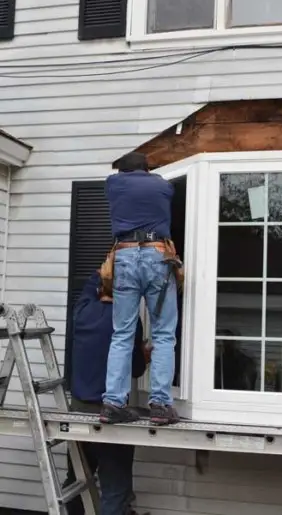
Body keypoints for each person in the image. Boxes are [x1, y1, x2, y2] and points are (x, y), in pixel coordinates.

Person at [100, 151, 180, 426]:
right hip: (158, 256)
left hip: (123, 256)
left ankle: (112, 403)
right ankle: (160, 405)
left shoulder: (113, 183)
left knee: (122, 333)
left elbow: (117, 179)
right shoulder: (162, 185)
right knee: (164, 334)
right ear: (146, 169)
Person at [64, 271, 147, 515]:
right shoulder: (129, 320)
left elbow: (92, 283)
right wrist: (144, 355)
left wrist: (111, 265)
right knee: (115, 487)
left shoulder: (82, 311)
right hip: (110, 414)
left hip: (78, 409)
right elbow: (137, 369)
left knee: (78, 479)